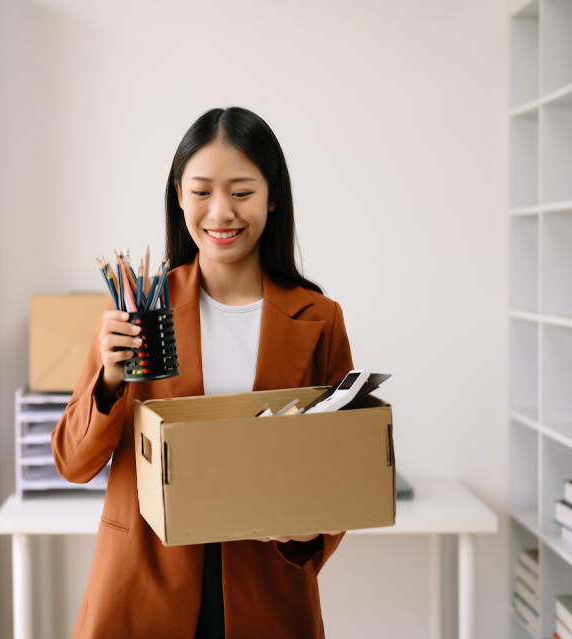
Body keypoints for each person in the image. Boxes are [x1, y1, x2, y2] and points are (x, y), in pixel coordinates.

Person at [50, 106, 353, 639]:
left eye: (241, 192)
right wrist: (110, 379)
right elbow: (73, 464)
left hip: (266, 590)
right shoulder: (136, 311)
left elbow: (343, 470)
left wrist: (307, 534)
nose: (221, 213)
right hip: (141, 587)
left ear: (272, 195)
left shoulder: (319, 318)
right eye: (202, 191)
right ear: (178, 194)